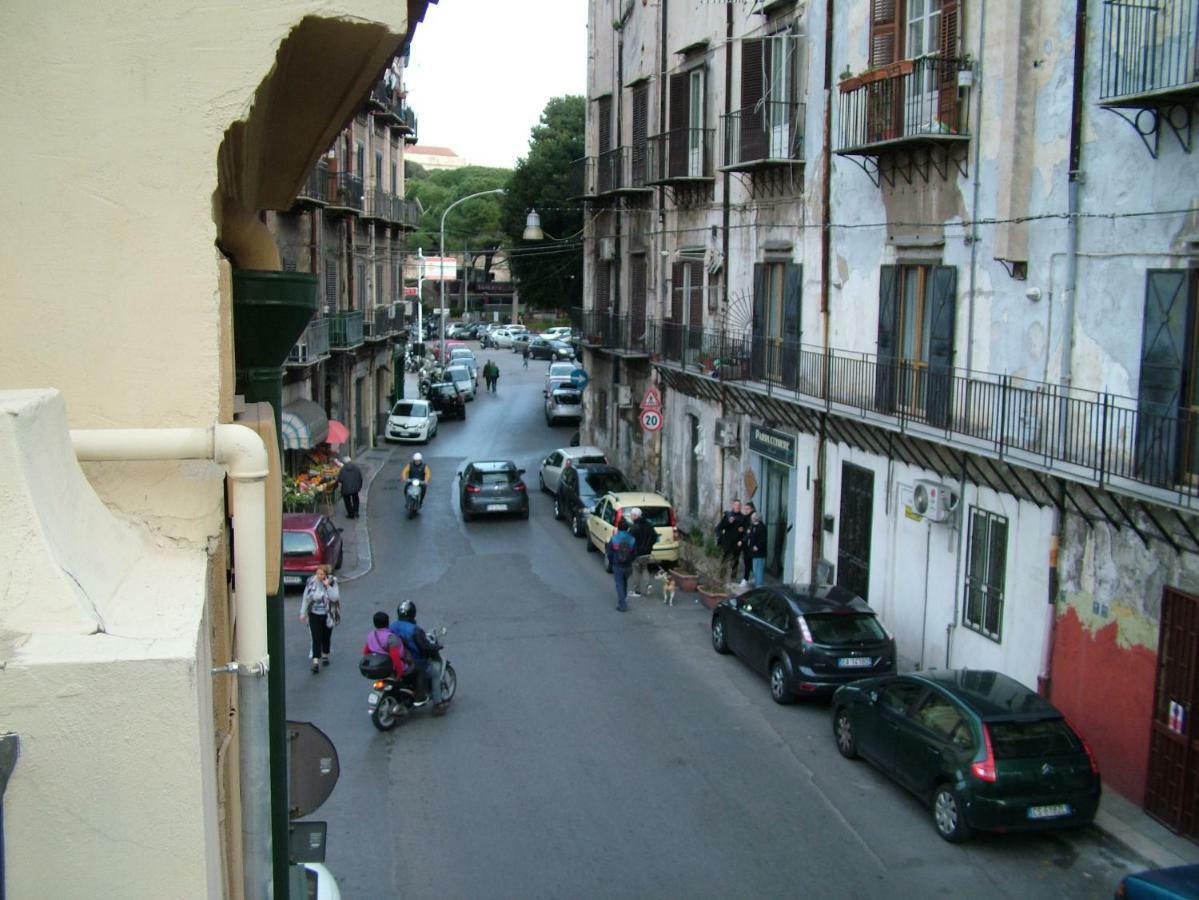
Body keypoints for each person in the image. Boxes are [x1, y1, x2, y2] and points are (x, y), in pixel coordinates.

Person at [390, 600, 447, 714]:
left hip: (398, 660)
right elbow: (425, 647)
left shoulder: (393, 626)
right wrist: (436, 647)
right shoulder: (415, 630)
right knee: (435, 675)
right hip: (414, 661)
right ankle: (438, 704)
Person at [299, 564, 340, 673]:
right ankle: (315, 662)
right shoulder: (311, 582)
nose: (319, 576)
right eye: (317, 573)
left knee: (326, 637)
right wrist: (302, 612)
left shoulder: (332, 582)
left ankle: (325, 654)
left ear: (326, 575)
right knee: (316, 637)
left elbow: (335, 597)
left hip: (327, 615)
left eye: (321, 574)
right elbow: (305, 598)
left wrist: (328, 586)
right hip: (314, 614)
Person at [362, 611, 410, 678]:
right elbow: (395, 657)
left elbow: (366, 651)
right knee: (418, 670)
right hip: (392, 668)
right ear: (388, 622)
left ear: (374, 624)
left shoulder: (371, 635)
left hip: (380, 667)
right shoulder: (391, 637)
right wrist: (400, 673)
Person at [627, 507, 659, 598]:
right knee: (645, 569)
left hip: (637, 554)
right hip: (647, 552)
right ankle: (648, 585)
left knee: (636, 570)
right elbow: (654, 537)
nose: (631, 516)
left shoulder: (633, 528)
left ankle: (637, 591)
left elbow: (630, 541)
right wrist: (649, 547)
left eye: (632, 515)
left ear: (636, 516)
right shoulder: (649, 525)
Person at [606, 520, 638, 612]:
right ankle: (623, 598)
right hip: (628, 565)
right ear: (627, 528)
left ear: (618, 528)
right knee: (624, 582)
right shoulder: (632, 539)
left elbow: (609, 552)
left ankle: (622, 604)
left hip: (617, 564)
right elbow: (635, 552)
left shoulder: (614, 539)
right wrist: (631, 560)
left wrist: (612, 562)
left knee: (619, 584)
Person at [715, 499, 746, 585]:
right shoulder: (728, 515)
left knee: (735, 560)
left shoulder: (743, 517)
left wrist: (742, 535)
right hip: (727, 541)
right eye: (736, 505)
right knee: (725, 558)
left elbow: (745, 530)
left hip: (737, 542)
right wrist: (728, 522)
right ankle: (721, 574)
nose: (737, 507)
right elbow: (720, 526)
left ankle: (733, 576)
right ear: (733, 505)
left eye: (739, 505)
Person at [745, 510, 768, 587]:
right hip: (754, 553)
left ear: (756, 518)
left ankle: (759, 585)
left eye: (753, 517)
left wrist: (757, 546)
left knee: (759, 569)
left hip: (759, 553)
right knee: (755, 569)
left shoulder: (761, 527)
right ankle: (757, 582)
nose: (751, 519)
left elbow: (763, 539)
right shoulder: (753, 526)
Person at [740, 501, 757, 585]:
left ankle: (745, 579)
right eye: (745, 509)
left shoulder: (753, 517)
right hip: (746, 543)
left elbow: (750, 531)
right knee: (747, 561)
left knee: (748, 561)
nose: (746, 510)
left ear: (752, 509)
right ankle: (753, 577)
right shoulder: (746, 517)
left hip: (751, 543)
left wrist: (743, 540)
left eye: (748, 509)